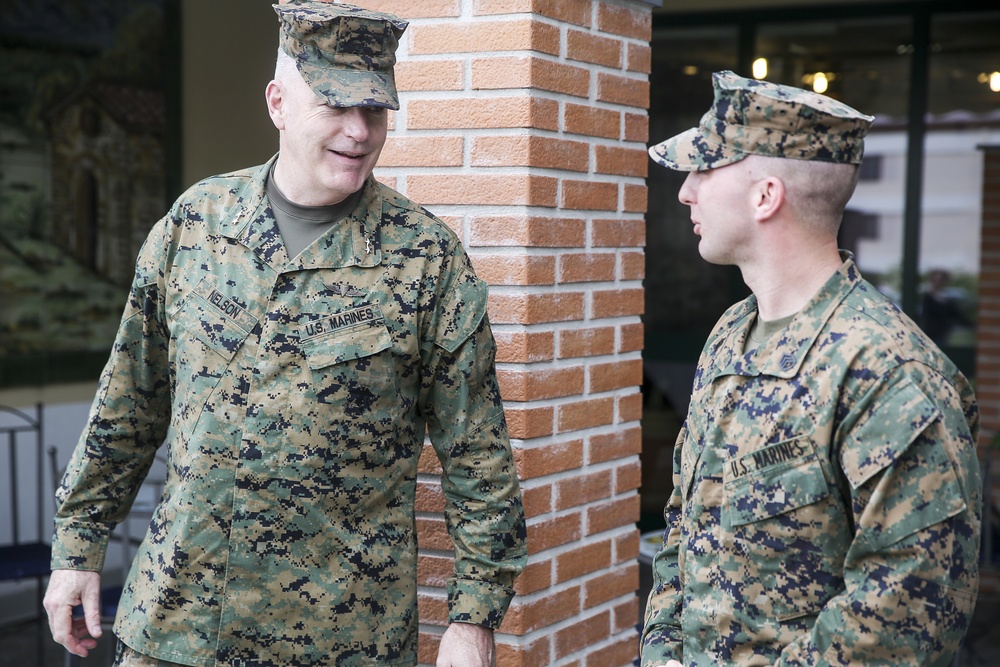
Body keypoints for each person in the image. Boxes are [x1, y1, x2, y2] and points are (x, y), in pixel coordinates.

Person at [43, 3, 526, 666]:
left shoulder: (426, 259)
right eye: (336, 105)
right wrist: (78, 545)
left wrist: (473, 619)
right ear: (278, 102)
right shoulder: (196, 226)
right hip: (181, 626)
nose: (359, 131)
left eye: (376, 110)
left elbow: (479, 457)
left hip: (341, 636)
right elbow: (129, 400)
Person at [640, 70, 981, 667]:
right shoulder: (729, 337)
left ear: (765, 196)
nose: (685, 192)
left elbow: (905, 618)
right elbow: (683, 530)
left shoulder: (888, 372)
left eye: (704, 168)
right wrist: (663, 651)